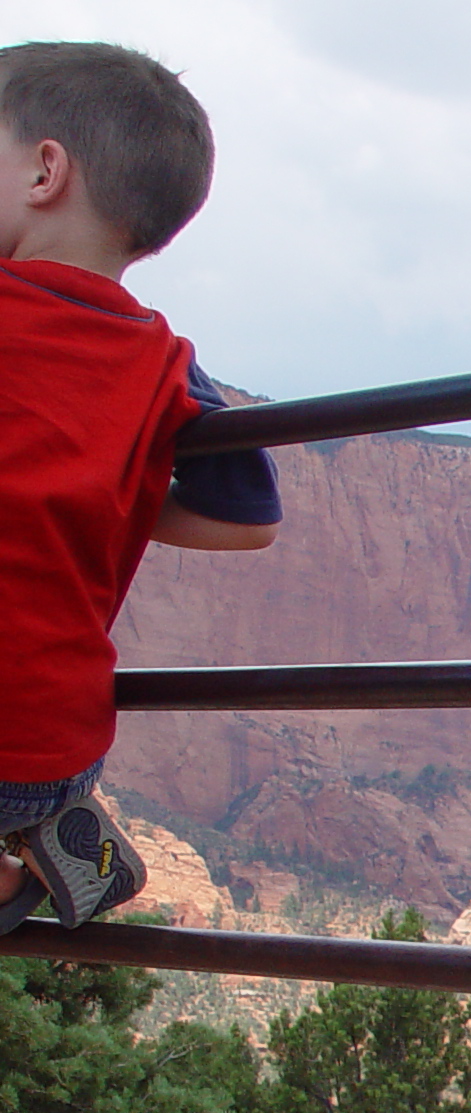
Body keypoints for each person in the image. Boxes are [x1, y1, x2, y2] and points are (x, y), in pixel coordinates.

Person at [0, 41, 281, 933]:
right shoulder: (164, 363)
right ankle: (44, 829)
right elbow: (248, 517)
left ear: (46, 171)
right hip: (55, 750)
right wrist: (98, 492)